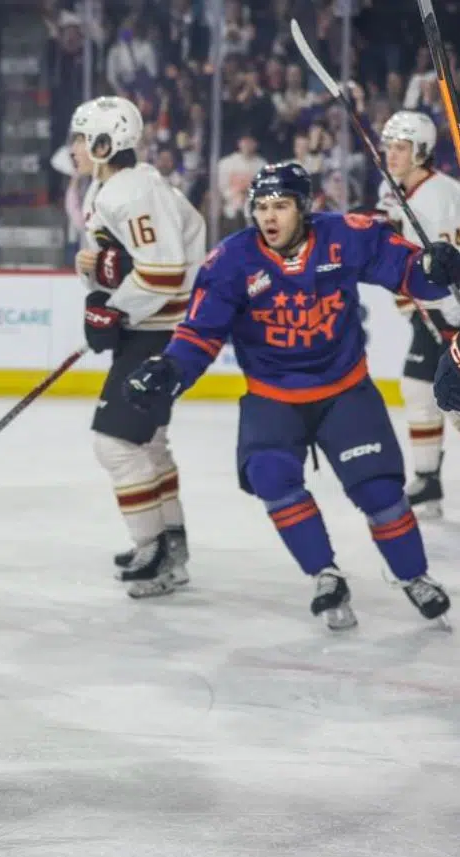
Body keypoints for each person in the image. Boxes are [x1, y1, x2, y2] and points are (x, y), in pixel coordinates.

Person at [126, 162, 457, 629]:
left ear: (303, 207)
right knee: (271, 475)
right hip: (273, 396)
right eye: (261, 207)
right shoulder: (231, 261)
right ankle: (324, 574)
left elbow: (408, 272)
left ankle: (412, 575)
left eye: (280, 205)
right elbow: (201, 333)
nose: (269, 217)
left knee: (379, 489)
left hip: (344, 390)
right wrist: (170, 369)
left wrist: (434, 266)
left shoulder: (346, 236)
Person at [69, 96, 205, 598]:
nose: (75, 147)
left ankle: (153, 550)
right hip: (155, 327)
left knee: (117, 443)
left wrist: (117, 308)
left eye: (82, 138)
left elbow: (166, 271)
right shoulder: (114, 185)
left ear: (105, 144)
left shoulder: (132, 190)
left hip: (156, 332)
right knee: (148, 444)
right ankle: (171, 547)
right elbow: (136, 257)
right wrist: (102, 273)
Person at [375, 109, 460, 517]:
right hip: (427, 312)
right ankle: (427, 481)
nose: (392, 154)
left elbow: (450, 259)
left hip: (450, 314)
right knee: (417, 388)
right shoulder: (394, 189)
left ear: (421, 151)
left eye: (401, 147)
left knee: (448, 399)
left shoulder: (441, 194)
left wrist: (448, 310)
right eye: (389, 146)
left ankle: (428, 481)